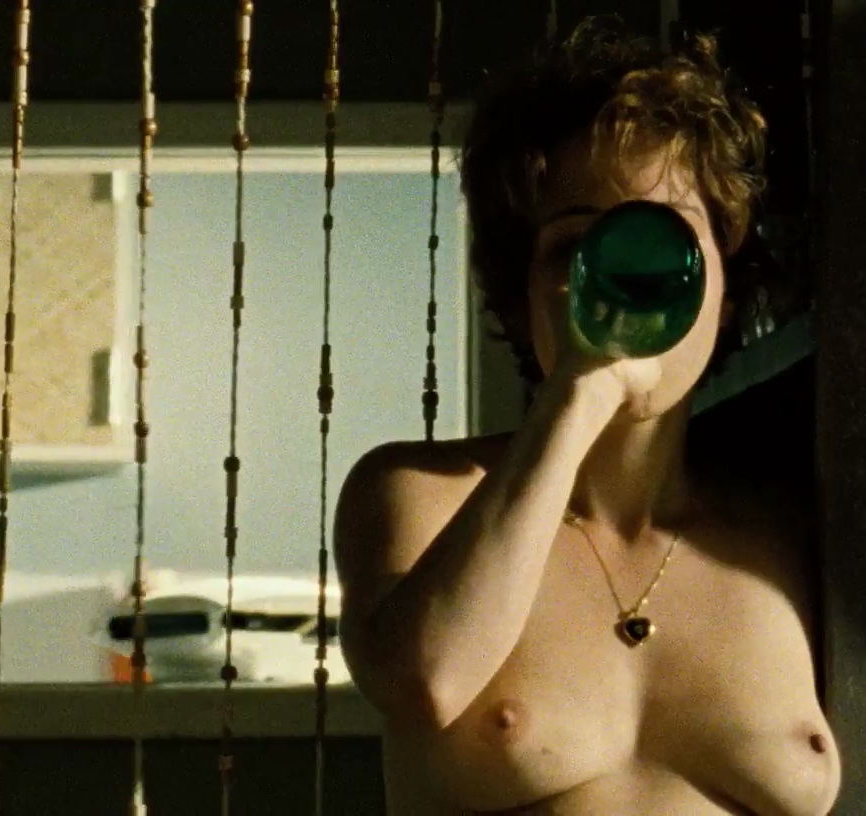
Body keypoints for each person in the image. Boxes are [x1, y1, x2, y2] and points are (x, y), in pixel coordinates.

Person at [333, 21, 839, 815]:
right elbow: (425, 681)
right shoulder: (419, 493)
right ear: (520, 293)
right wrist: (583, 391)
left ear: (726, 287)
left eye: (664, 242)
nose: (622, 279)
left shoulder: (788, 530)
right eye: (576, 246)